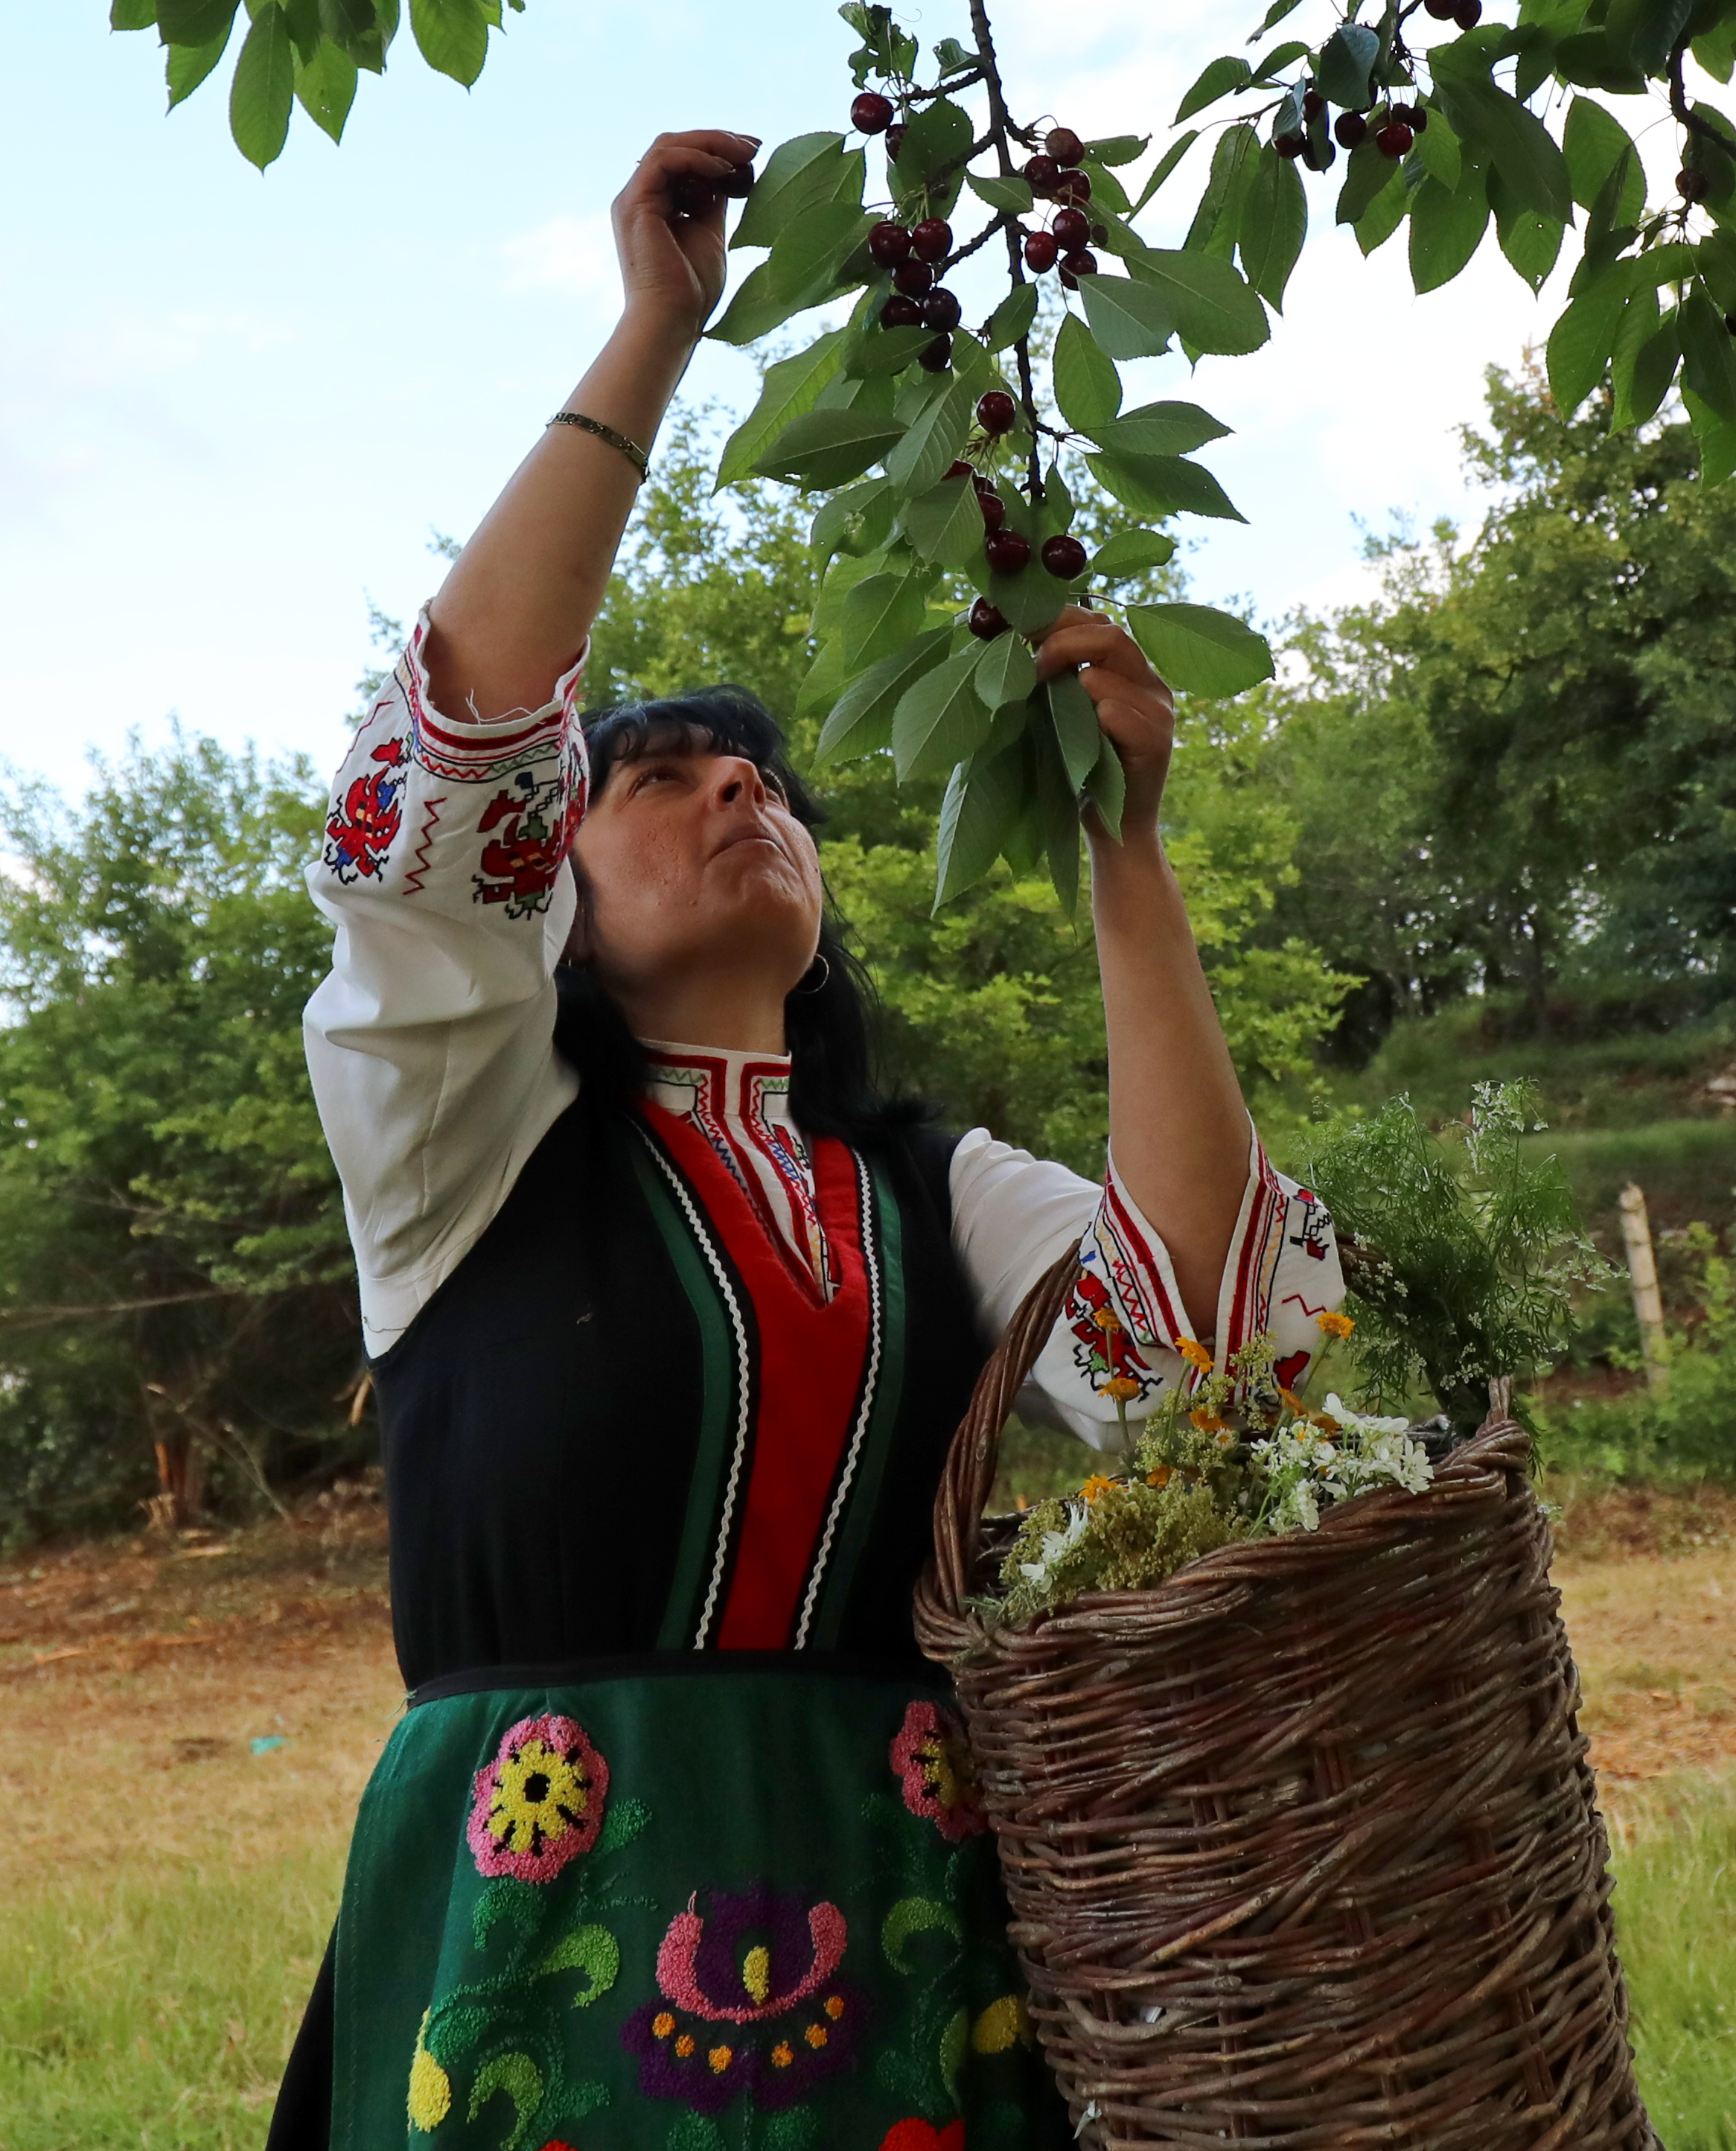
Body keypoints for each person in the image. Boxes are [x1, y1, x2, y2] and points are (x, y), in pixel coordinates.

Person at [266, 127, 1342, 2151]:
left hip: (914, 1904)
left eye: (759, 778)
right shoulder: (461, 1144)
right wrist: (656, 334)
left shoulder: (932, 1192)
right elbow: (456, 763)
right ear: (548, 888)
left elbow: (1223, 1368)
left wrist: (1128, 853)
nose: (728, 794)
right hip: (540, 1912)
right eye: (656, 780)